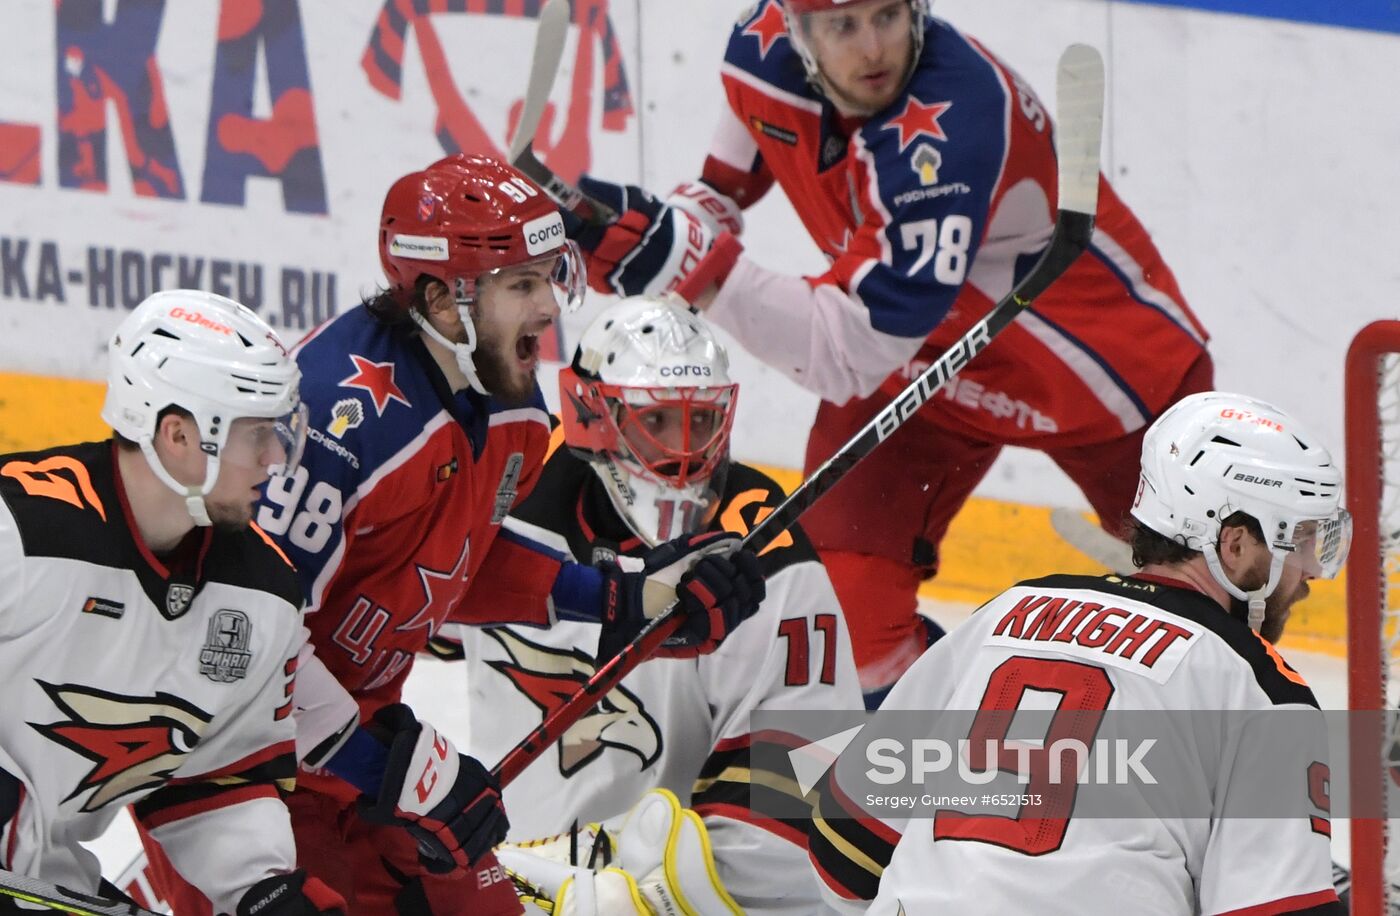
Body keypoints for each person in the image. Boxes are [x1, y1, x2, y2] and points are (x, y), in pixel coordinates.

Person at [136, 153, 768, 915]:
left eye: (548, 276)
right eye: (522, 285)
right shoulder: (335, 429)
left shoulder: (510, 405)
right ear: (442, 298)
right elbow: (237, 637)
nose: (548, 309)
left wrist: (621, 596)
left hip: (358, 752)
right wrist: (380, 766)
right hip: (241, 774)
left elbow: (453, 556)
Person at [565, 0, 1213, 706]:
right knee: (845, 616)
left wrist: (678, 261)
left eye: (888, 16)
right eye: (843, 26)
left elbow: (845, 351)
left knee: (1217, 618)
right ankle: (928, 775)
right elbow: (719, 194)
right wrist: (637, 236)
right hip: (923, 371)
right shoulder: (758, 55)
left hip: (1105, 377)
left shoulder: (951, 124)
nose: (874, 48)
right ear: (795, 32)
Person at [807, 391, 1349, 914]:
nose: (1309, 575)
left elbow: (843, 850)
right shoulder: (1262, 688)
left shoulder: (1005, 615)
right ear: (1233, 544)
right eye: (1299, 541)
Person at [426, 294, 861, 914]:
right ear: (591, 416)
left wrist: (629, 897)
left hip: (665, 896)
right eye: (656, 421)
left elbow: (793, 806)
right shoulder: (504, 495)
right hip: (507, 878)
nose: (684, 452)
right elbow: (393, 626)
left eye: (702, 421)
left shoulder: (765, 558)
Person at [0, 289, 345, 915]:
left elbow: (217, 776)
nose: (274, 461)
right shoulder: (16, 530)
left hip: (45, 887)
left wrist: (261, 890)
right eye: (258, 435)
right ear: (179, 434)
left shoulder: (262, 594)